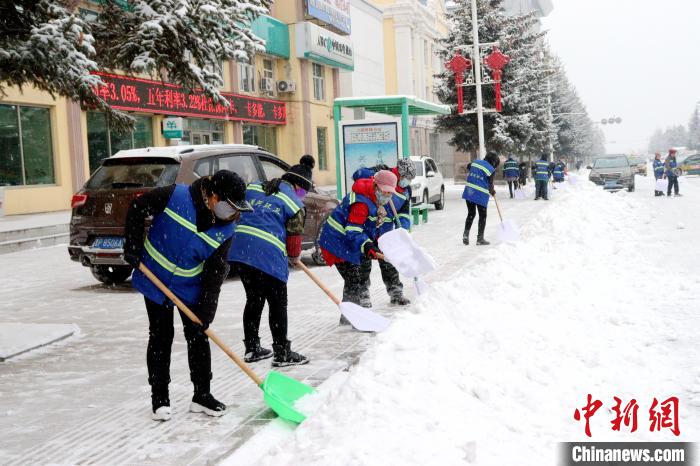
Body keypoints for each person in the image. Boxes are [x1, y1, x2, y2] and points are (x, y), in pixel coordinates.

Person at [124, 170, 253, 422]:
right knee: (161, 335)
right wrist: (132, 246)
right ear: (213, 196)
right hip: (155, 278)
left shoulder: (226, 229)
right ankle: (159, 399)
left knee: (198, 336)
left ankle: (201, 396)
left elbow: (215, 272)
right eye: (230, 206)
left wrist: (206, 310)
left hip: (189, 286)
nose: (233, 213)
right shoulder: (175, 195)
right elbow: (138, 206)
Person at [228, 156, 315, 367]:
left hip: (240, 250)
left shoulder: (255, 187)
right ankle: (282, 352)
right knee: (277, 304)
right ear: (296, 185)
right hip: (266, 254)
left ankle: (252, 348)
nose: (302, 195)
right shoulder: (293, 203)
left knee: (254, 299)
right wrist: (294, 257)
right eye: (303, 191)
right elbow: (294, 242)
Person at [318, 170, 397, 314]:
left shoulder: (371, 198)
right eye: (384, 192)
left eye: (389, 193)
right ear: (375, 186)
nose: (386, 196)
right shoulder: (361, 203)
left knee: (353, 279)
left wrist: (374, 241)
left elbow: (365, 226)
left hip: (344, 242)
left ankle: (349, 317)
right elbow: (353, 231)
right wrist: (367, 246)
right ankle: (353, 317)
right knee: (354, 279)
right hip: (337, 242)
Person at [351, 159, 417, 306]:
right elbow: (357, 175)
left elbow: (404, 212)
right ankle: (363, 295)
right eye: (407, 177)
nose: (408, 181)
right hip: (368, 227)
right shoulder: (383, 176)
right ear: (399, 174)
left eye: (410, 179)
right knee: (364, 262)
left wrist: (403, 229)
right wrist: (373, 173)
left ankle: (396, 293)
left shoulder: (406, 190)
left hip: (385, 232)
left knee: (389, 261)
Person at [462, 151, 500, 245]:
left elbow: (468, 166)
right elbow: (490, 184)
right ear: (493, 162)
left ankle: (465, 235)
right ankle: (480, 238)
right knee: (482, 216)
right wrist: (493, 191)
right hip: (480, 194)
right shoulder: (491, 169)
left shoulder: (475, 162)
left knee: (471, 213)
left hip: (469, 192)